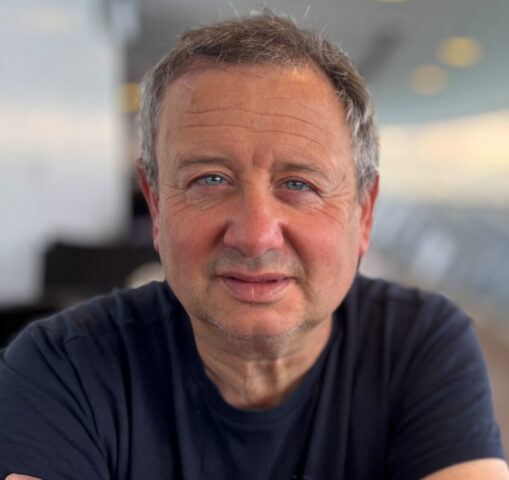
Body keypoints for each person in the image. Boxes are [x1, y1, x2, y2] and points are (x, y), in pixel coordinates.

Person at [1, 12, 507, 480]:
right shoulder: (61, 368)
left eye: (299, 184)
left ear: (364, 213)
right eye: (210, 179)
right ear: (156, 206)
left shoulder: (419, 345)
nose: (256, 235)